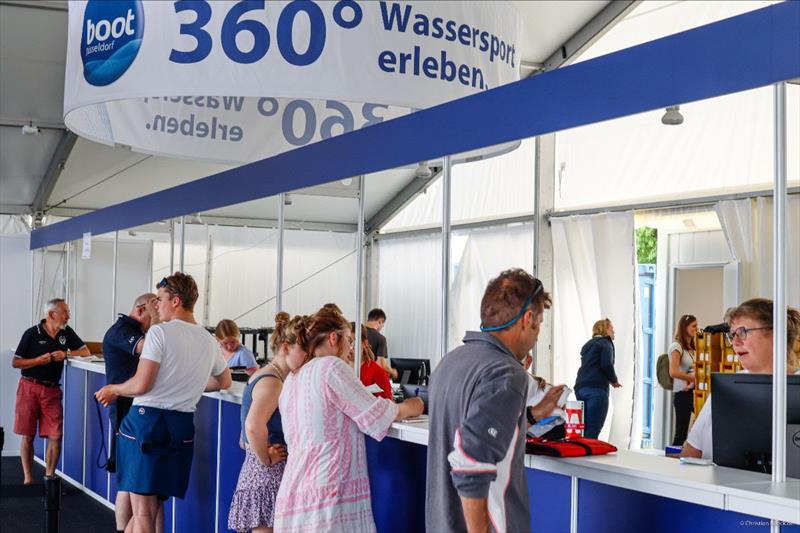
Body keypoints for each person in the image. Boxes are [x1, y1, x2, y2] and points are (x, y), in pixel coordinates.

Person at [426, 268, 561, 533]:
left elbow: (479, 429)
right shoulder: (507, 373)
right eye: (540, 325)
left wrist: (531, 415)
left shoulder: (451, 361)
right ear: (528, 318)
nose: (537, 336)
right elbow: (470, 460)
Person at [95, 272, 232, 533]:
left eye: (160, 299)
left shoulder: (159, 333)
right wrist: (186, 382)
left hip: (147, 424)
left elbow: (140, 385)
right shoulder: (208, 339)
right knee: (156, 509)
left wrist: (114, 389)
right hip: (180, 428)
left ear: (177, 301)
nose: (156, 305)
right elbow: (223, 381)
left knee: (143, 516)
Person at [274, 306, 423, 532]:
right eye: (349, 341)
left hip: (295, 491)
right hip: (327, 494)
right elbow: (373, 414)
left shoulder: (294, 377)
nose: (351, 349)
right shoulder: (331, 367)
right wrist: (409, 407)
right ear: (334, 338)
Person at [682, 299, 800, 460]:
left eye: (743, 332)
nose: (735, 342)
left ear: (775, 334)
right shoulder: (726, 388)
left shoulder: (796, 388)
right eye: (733, 335)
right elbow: (691, 453)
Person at [228, 312, 301, 533]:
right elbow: (252, 426)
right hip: (268, 473)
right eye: (304, 349)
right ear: (286, 347)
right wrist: (266, 458)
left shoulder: (269, 375)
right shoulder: (272, 381)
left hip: (261, 471)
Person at [12, 298, 90, 484]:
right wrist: (38, 360)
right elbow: (16, 362)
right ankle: (28, 478)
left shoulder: (66, 333)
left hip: (52, 391)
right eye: (65, 312)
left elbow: (85, 352)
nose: (68, 316)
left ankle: (49, 477)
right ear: (51, 314)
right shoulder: (32, 333)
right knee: (28, 435)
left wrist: (67, 354)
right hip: (29, 387)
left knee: (56, 435)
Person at [102, 292, 159, 532]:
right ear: (141, 309)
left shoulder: (136, 331)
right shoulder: (121, 331)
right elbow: (150, 349)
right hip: (126, 409)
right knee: (128, 479)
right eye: (155, 309)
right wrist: (159, 321)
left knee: (134, 481)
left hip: (138, 410)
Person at [573, 319, 622, 439]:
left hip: (580, 388)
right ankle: (587, 455)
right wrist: (614, 380)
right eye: (611, 328)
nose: (613, 331)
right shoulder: (606, 343)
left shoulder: (589, 345)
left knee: (583, 430)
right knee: (592, 431)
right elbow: (606, 364)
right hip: (596, 389)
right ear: (605, 330)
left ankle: (579, 454)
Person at [669, 314, 697, 446]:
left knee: (698, 430)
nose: (696, 329)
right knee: (681, 434)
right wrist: (692, 377)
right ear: (685, 327)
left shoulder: (692, 348)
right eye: (694, 326)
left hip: (694, 393)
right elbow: (673, 371)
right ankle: (672, 463)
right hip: (682, 394)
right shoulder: (676, 346)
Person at [353, 323, 393, 400]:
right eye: (347, 341)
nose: (350, 347)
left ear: (365, 343)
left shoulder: (378, 372)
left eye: (353, 342)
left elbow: (388, 406)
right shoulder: (339, 370)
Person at [366, 308, 397, 380]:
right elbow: (381, 364)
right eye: (382, 325)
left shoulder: (356, 333)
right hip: (369, 379)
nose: (381, 327)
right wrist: (393, 372)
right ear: (380, 321)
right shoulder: (380, 338)